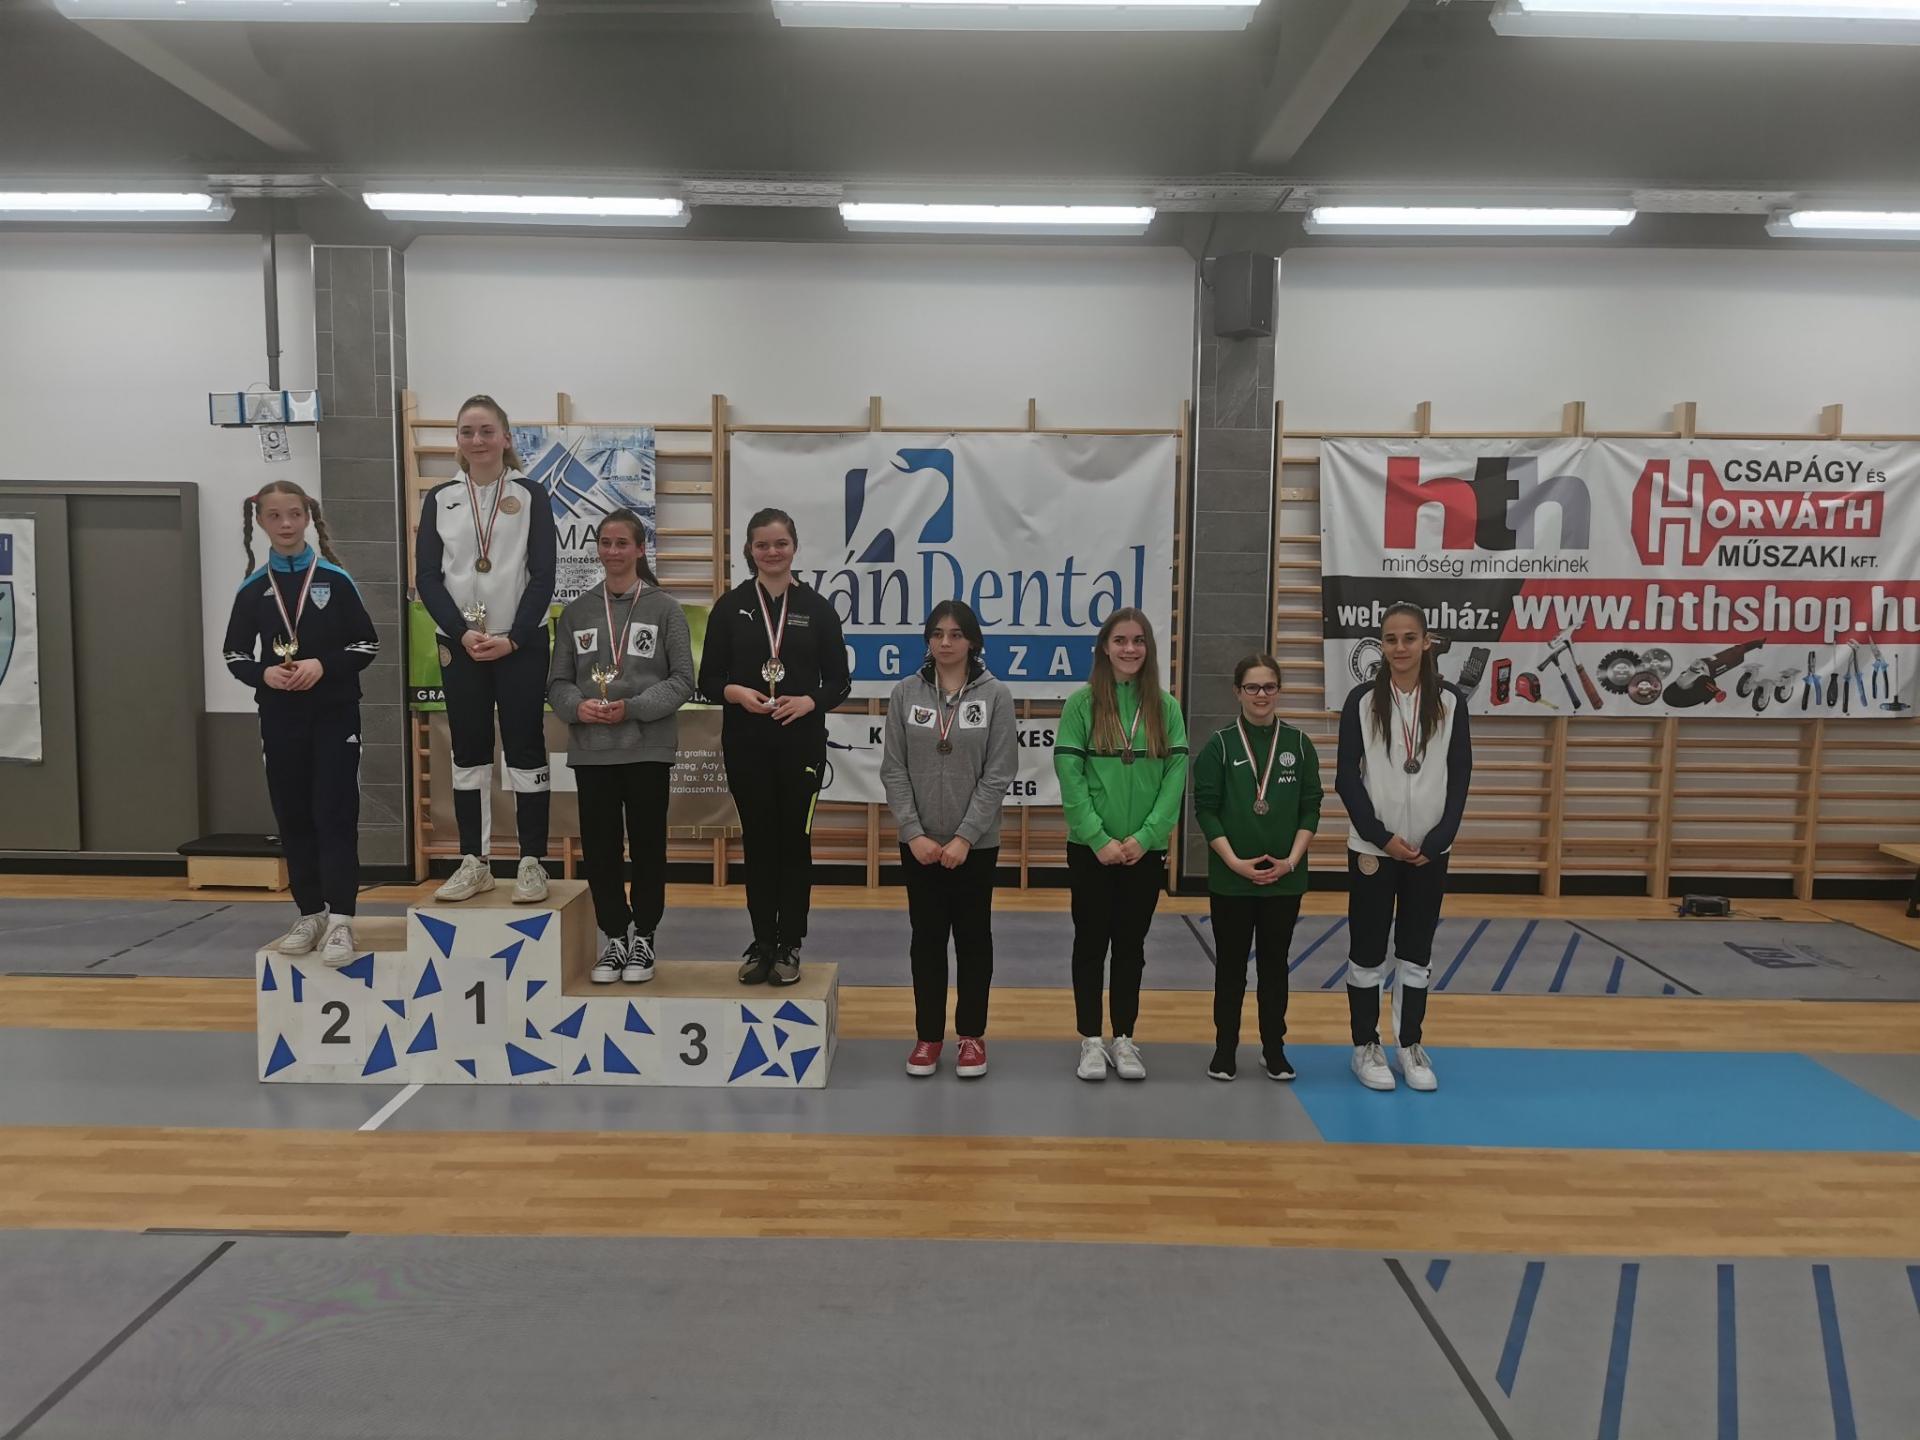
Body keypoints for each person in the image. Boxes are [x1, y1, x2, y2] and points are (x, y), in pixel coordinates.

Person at [224, 480, 380, 967]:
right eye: (275, 516)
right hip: (280, 718)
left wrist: (323, 666)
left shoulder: (335, 579)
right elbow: (234, 654)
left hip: (335, 715)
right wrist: (264, 674)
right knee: (293, 815)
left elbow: (366, 644)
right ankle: (310, 912)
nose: (286, 524)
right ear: (260, 521)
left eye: (294, 514)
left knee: (334, 813)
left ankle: (342, 920)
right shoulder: (253, 589)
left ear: (308, 516)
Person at [415, 394, 559, 905]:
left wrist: (513, 637)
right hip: (463, 644)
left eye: (486, 431)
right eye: (467, 432)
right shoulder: (440, 498)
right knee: (469, 750)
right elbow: (427, 577)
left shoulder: (531, 495)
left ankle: (532, 861)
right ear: (457, 440)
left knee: (525, 746)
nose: (477, 440)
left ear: (505, 438)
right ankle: (474, 862)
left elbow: (544, 574)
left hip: (519, 643)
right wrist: (460, 632)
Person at [697, 507, 850, 986]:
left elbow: (840, 682)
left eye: (780, 543)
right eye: (762, 544)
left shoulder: (818, 609)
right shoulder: (730, 607)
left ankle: (790, 943)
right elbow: (707, 680)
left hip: (801, 748)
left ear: (794, 547)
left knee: (794, 845)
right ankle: (762, 940)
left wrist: (809, 701)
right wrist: (736, 693)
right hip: (747, 746)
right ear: (750, 550)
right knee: (759, 844)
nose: (772, 552)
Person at [547, 508, 694, 984]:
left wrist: (632, 707)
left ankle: (644, 937)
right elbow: (557, 683)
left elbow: (683, 680)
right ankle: (614, 937)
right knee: (600, 849)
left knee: (648, 846)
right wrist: (578, 707)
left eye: (622, 543)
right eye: (605, 543)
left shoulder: (665, 609)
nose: (613, 551)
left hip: (648, 747)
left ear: (640, 549)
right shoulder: (576, 612)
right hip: (593, 750)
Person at [1335, 602, 1473, 1093]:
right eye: (1391, 639)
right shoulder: (1360, 701)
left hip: (1428, 852)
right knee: (1367, 951)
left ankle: (1409, 1044)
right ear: (1381, 644)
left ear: (1426, 642)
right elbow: (1346, 778)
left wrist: (1439, 839)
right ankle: (1364, 1045)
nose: (1400, 647)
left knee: (1416, 951)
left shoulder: (1451, 701)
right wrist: (1381, 837)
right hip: (1373, 849)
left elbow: (1460, 776)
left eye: (1409, 638)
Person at [881, 601, 1017, 1079]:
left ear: (972, 641)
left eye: (956, 634)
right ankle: (928, 1036)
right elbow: (893, 769)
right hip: (919, 845)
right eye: (937, 633)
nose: (945, 642)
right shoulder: (905, 693)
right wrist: (913, 833)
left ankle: (972, 1036)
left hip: (975, 847)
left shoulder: (996, 695)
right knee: (927, 941)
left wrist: (964, 837)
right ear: (928, 639)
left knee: (974, 940)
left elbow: (999, 773)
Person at [1053, 607, 1188, 1081]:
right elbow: (1070, 776)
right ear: (1104, 648)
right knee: (1090, 944)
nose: (1130, 649)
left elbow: (1175, 779)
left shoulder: (1166, 708)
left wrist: (1146, 837)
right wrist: (1098, 838)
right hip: (1091, 850)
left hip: (1143, 853)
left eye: (1138, 640)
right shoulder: (1081, 704)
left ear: (1148, 648)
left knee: (1131, 947)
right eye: (1120, 640)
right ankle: (1091, 1039)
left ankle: (1124, 1037)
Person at [1192, 655, 1320, 1081]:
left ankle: (1273, 1049)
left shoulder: (1299, 744)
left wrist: (1291, 862)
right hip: (1232, 880)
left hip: (1284, 880)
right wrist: (1233, 862)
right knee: (1230, 968)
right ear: (1238, 692)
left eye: (1269, 686)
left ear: (1279, 690)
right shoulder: (1219, 745)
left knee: (1274, 967)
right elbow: (1206, 810)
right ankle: (1225, 1048)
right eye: (1252, 687)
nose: (1261, 694)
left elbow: (1310, 807)